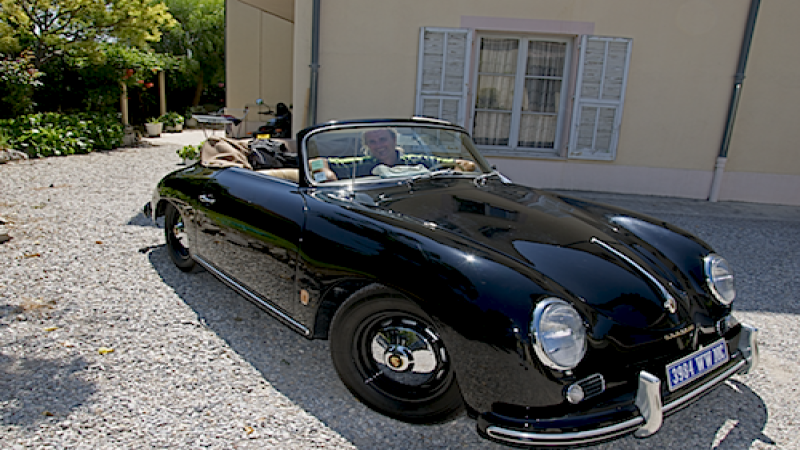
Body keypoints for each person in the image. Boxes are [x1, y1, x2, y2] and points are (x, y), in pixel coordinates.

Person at [311, 128, 476, 182]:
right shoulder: (362, 163)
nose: (379, 146)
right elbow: (316, 161)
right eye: (373, 142)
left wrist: (454, 178)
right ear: (367, 145)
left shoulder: (418, 161)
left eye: (383, 139)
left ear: (394, 139)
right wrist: (323, 174)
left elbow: (466, 164)